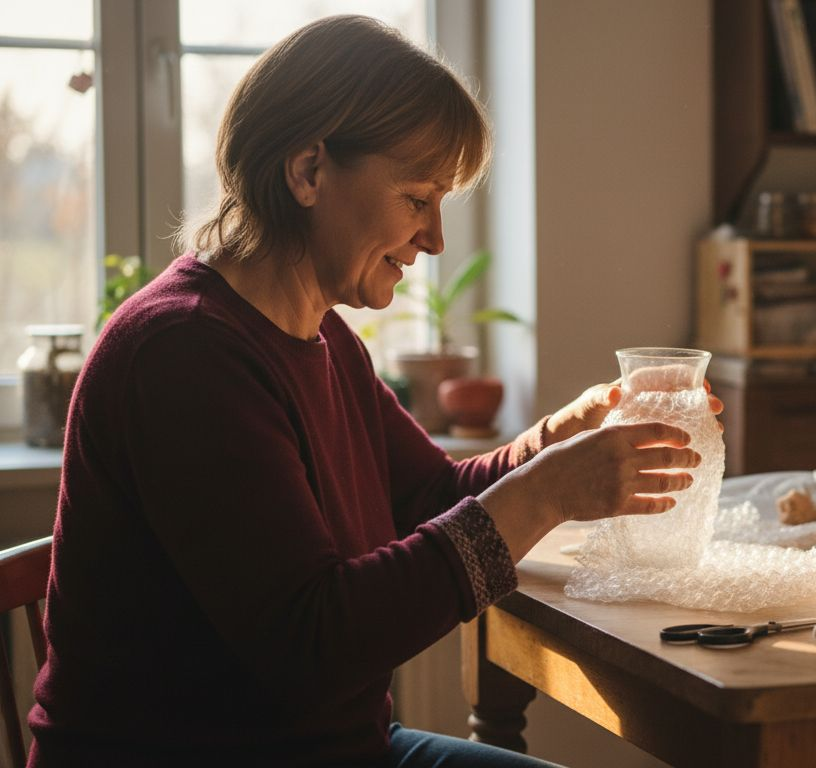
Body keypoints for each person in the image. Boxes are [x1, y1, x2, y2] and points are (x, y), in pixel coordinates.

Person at [28, 15, 721, 768]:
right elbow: (316, 643)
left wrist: (560, 439)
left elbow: (428, 493)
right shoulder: (184, 353)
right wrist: (545, 494)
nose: (436, 240)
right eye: (418, 198)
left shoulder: (320, 335)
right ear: (308, 172)